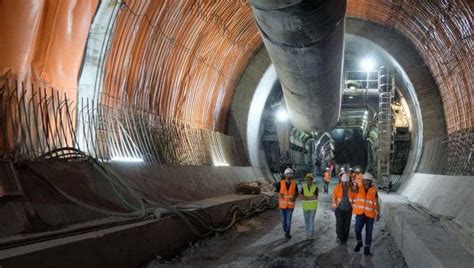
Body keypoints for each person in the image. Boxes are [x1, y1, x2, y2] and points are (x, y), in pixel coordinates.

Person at [353, 172, 380, 256]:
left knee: (369, 233)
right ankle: (359, 242)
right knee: (357, 230)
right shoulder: (359, 188)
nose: (366, 182)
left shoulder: (374, 190)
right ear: (363, 180)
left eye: (368, 181)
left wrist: (378, 213)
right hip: (360, 214)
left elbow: (376, 203)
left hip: (370, 215)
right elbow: (353, 190)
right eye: (365, 180)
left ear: (370, 181)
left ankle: (367, 250)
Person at [332, 173, 357, 244]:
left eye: (347, 182)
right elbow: (334, 197)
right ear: (341, 181)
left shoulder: (351, 189)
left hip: (348, 209)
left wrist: (354, 207)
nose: (345, 184)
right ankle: (340, 237)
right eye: (344, 182)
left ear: (349, 182)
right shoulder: (337, 188)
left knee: (347, 224)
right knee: (339, 223)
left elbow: (355, 197)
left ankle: (345, 237)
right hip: (339, 209)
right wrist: (335, 207)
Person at [274, 168, 298, 239]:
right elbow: (275, 191)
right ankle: (285, 230)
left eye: (291, 173)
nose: (290, 175)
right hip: (282, 206)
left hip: (290, 206)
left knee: (288, 220)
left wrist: (294, 197)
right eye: (288, 173)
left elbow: (296, 193)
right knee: (283, 220)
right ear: (285, 175)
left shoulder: (294, 184)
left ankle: (287, 233)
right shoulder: (280, 183)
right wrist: (279, 194)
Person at [301, 173, 318, 239]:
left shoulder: (315, 187)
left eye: (309, 180)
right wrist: (311, 197)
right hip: (305, 207)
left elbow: (315, 197)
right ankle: (307, 234)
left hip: (313, 207)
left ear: (312, 180)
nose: (308, 181)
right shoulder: (303, 187)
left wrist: (307, 197)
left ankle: (310, 235)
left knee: (311, 220)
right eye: (307, 180)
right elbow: (302, 197)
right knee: (306, 221)